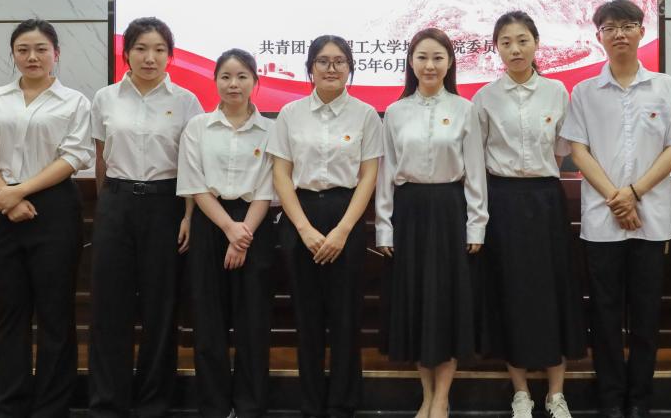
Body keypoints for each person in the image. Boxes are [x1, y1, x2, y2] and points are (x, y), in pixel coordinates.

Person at [559, 0, 671, 418]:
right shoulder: (584, 92)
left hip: (651, 222)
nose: (619, 33)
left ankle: (639, 400)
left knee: (645, 315)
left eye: (627, 25)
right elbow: (578, 151)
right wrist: (617, 198)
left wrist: (634, 192)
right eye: (610, 27)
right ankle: (609, 400)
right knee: (603, 315)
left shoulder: (666, 87)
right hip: (602, 223)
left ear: (642, 31)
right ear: (598, 36)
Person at [0, 19, 93, 418]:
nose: (32, 57)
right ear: (13, 55)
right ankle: (11, 404)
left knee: (56, 314)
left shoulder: (75, 102)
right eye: (23, 50)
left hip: (53, 209)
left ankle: (52, 407)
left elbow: (75, 156)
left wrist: (19, 192)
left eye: (41, 49)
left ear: (56, 54)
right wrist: (5, 196)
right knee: (10, 314)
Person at [472, 11, 586, 418]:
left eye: (522, 40)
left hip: (545, 200)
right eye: (505, 42)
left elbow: (562, 151)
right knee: (510, 291)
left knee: (554, 290)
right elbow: (476, 159)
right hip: (502, 201)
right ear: (496, 49)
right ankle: (521, 392)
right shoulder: (485, 97)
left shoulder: (557, 92)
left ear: (537, 43)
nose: (515, 49)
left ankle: (556, 393)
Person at [88, 17, 204, 418]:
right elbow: (101, 161)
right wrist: (107, 206)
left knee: (161, 307)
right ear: (127, 54)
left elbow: (194, 165)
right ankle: (108, 402)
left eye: (158, 49)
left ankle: (154, 402)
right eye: (140, 48)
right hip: (116, 203)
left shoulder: (187, 101)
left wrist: (188, 215)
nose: (149, 57)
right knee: (109, 307)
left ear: (170, 55)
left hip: (166, 204)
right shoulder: (105, 98)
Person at [267, 35, 383, 418]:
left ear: (350, 67)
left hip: (345, 216)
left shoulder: (365, 114)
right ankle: (311, 403)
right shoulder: (290, 114)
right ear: (310, 68)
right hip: (300, 217)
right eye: (323, 61)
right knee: (307, 316)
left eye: (339, 61)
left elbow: (368, 176)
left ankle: (344, 403)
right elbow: (281, 175)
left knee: (347, 316)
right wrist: (303, 229)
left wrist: (343, 230)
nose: (331, 68)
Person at [377, 28, 488, 418]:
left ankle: (442, 397)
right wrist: (384, 227)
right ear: (411, 62)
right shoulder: (395, 112)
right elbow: (386, 174)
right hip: (408, 214)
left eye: (438, 57)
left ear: (450, 62)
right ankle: (426, 395)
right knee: (417, 305)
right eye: (422, 57)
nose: (429, 65)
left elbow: (475, 173)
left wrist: (476, 224)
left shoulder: (464, 109)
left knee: (446, 304)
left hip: (449, 212)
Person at [177, 49, 276, 418]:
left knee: (254, 323)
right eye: (226, 77)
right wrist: (228, 229)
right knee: (208, 322)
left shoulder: (272, 130)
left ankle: (250, 407)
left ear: (255, 81)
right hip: (210, 222)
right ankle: (214, 407)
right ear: (215, 80)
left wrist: (242, 234)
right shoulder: (198, 127)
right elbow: (195, 183)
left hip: (255, 225)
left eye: (242, 76)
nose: (234, 84)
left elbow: (268, 187)